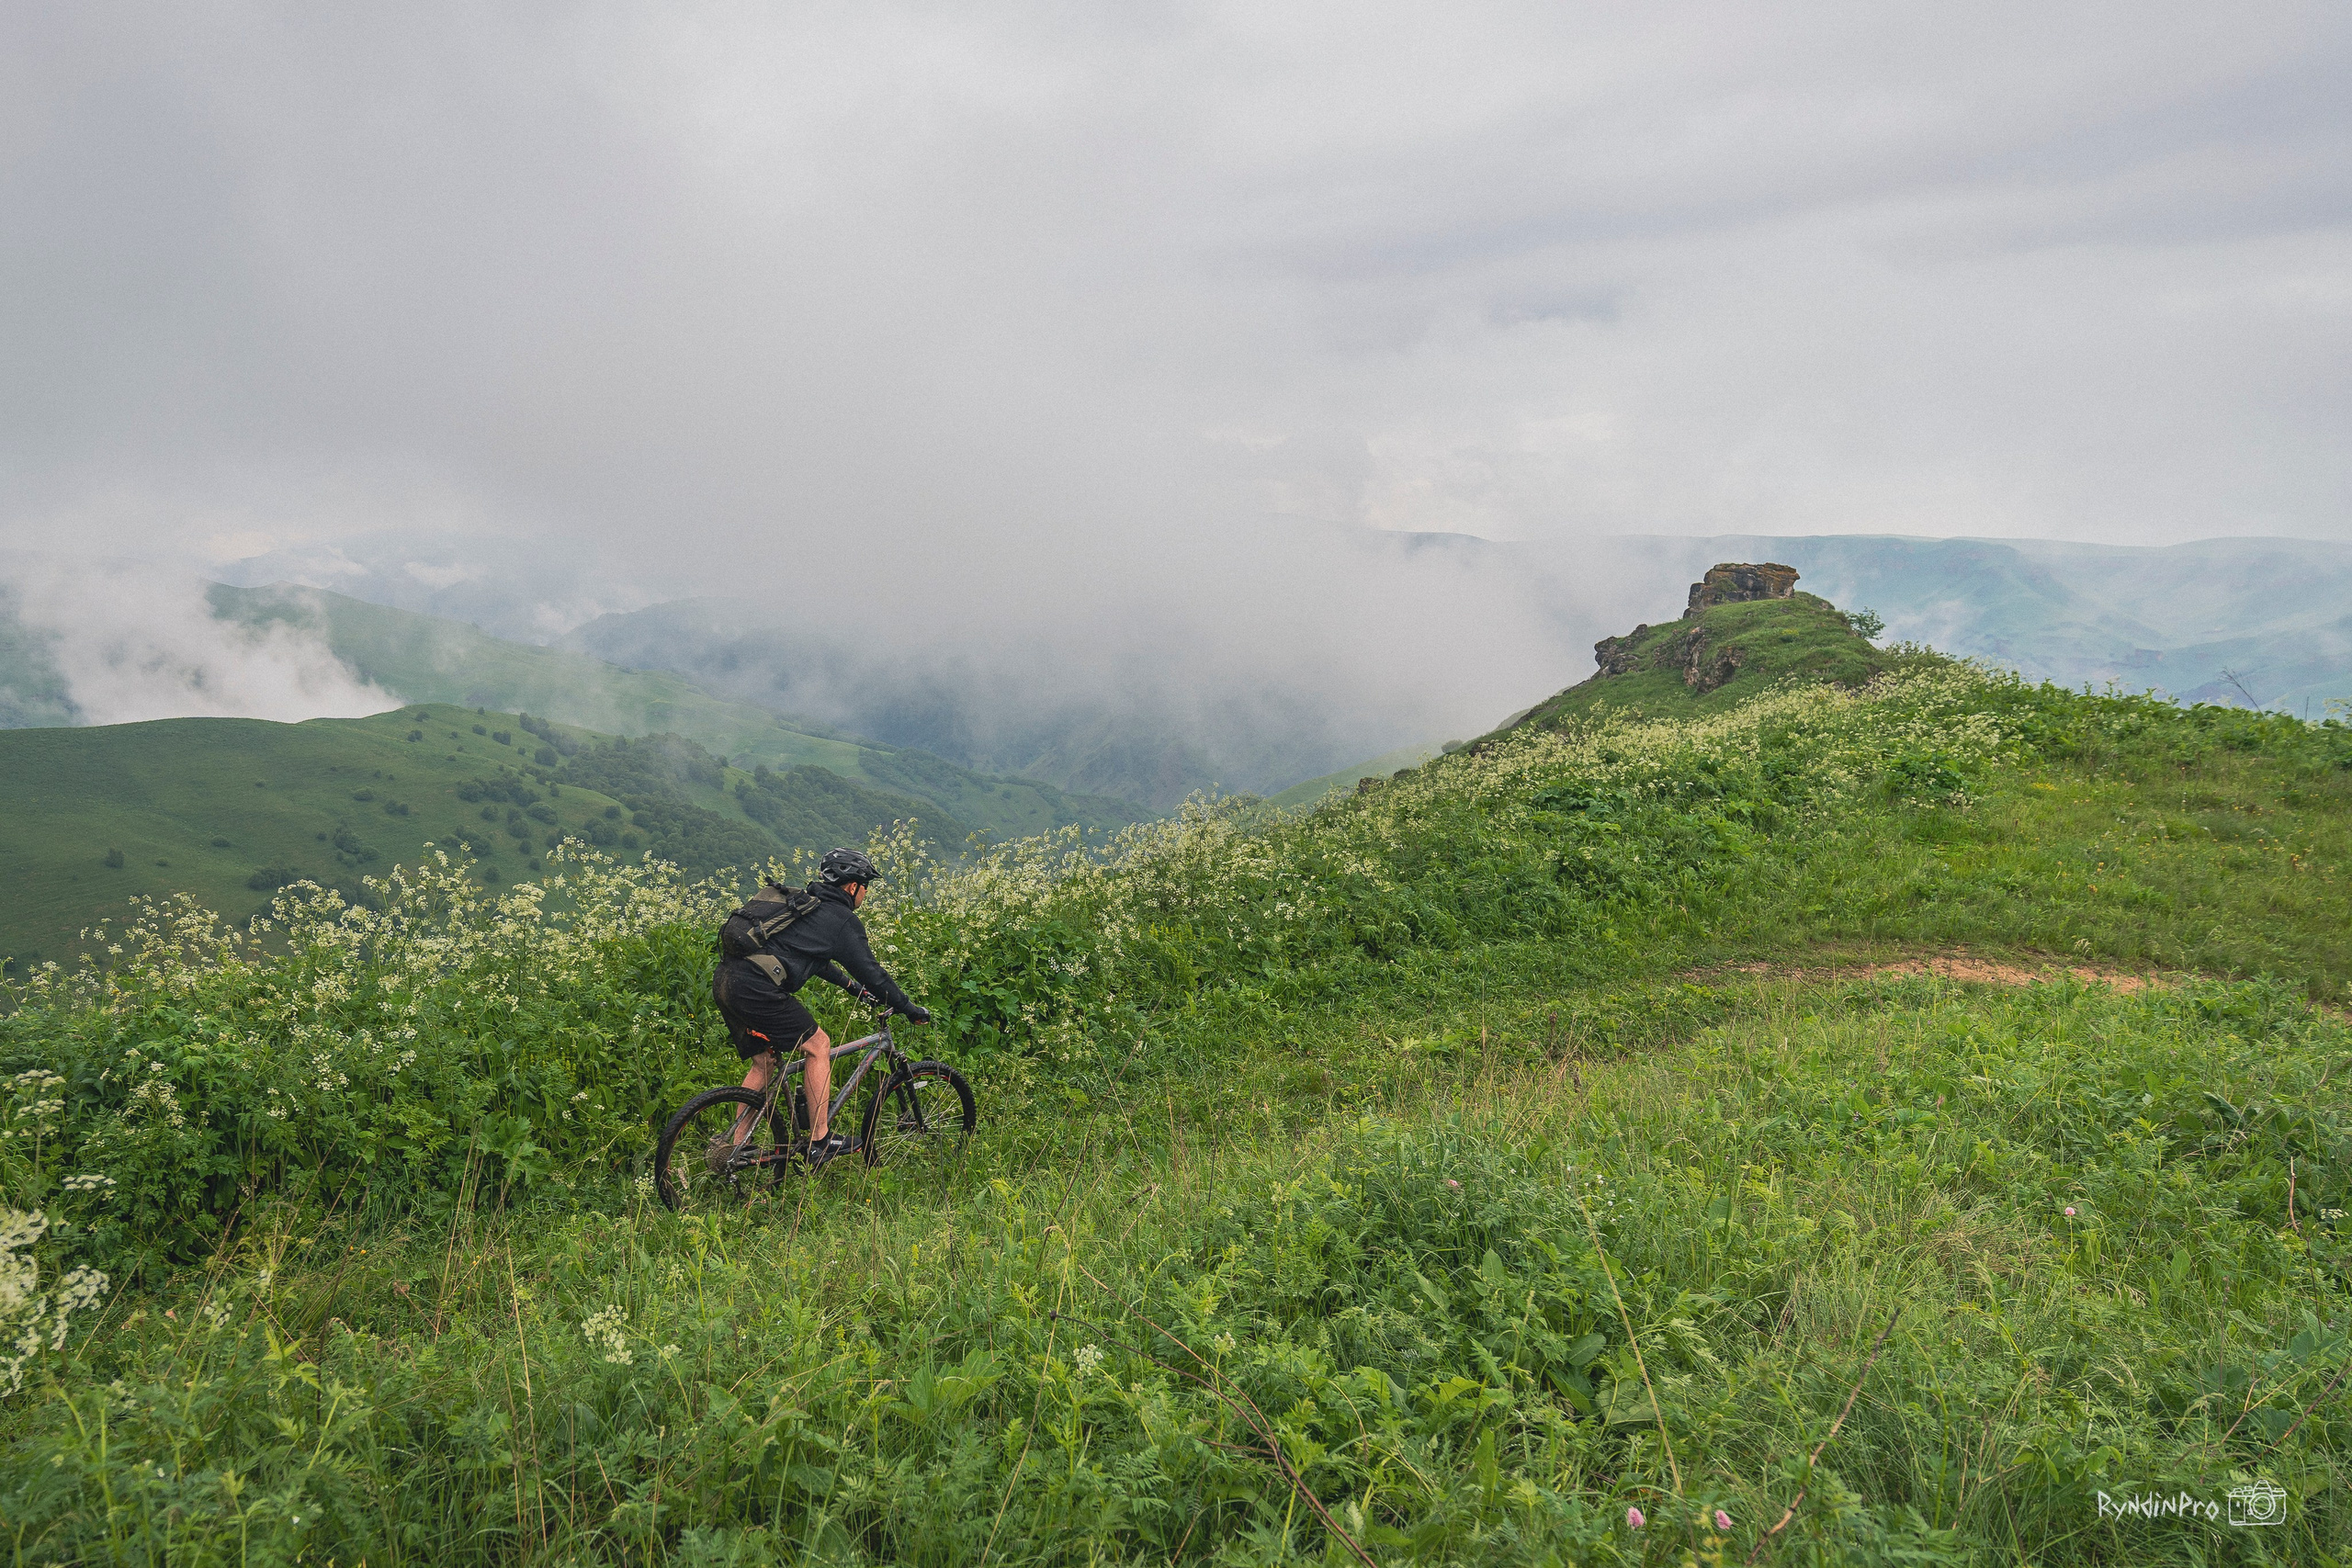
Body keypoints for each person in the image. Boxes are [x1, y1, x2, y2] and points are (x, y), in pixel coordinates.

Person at [709, 846, 931, 1167]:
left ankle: (736, 1144)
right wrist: (909, 1008)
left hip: (728, 980)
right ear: (853, 887)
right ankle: (820, 1139)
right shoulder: (841, 920)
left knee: (765, 1063)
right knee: (818, 1045)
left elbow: (816, 959)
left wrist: (853, 989)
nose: (865, 895)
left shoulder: (805, 905)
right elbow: (874, 973)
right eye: (866, 887)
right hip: (756, 988)